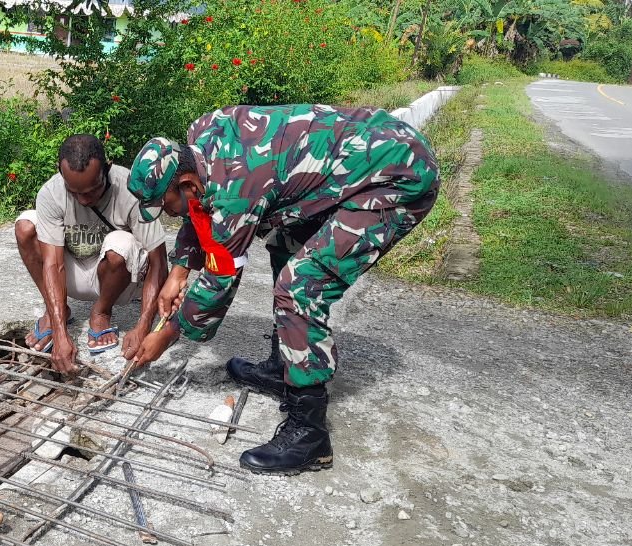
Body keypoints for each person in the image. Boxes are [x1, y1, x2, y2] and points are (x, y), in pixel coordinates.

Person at [126, 104, 439, 475]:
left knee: (300, 287)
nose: (171, 215)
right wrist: (178, 272)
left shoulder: (237, 184)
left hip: (398, 176)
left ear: (187, 184)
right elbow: (200, 210)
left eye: (167, 207)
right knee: (284, 242)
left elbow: (221, 276)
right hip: (366, 161)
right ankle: (283, 366)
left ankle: (310, 434)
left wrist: (169, 334)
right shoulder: (201, 138)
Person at [15, 134, 168, 374]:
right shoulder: (51, 192)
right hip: (70, 276)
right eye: (74, 192)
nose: (84, 200)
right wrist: (59, 331)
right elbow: (53, 265)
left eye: (93, 190)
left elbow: (159, 262)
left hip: (119, 278)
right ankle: (57, 310)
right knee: (26, 226)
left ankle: (101, 311)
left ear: (106, 169)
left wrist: (143, 326)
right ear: (61, 173)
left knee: (122, 244)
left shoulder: (130, 187)